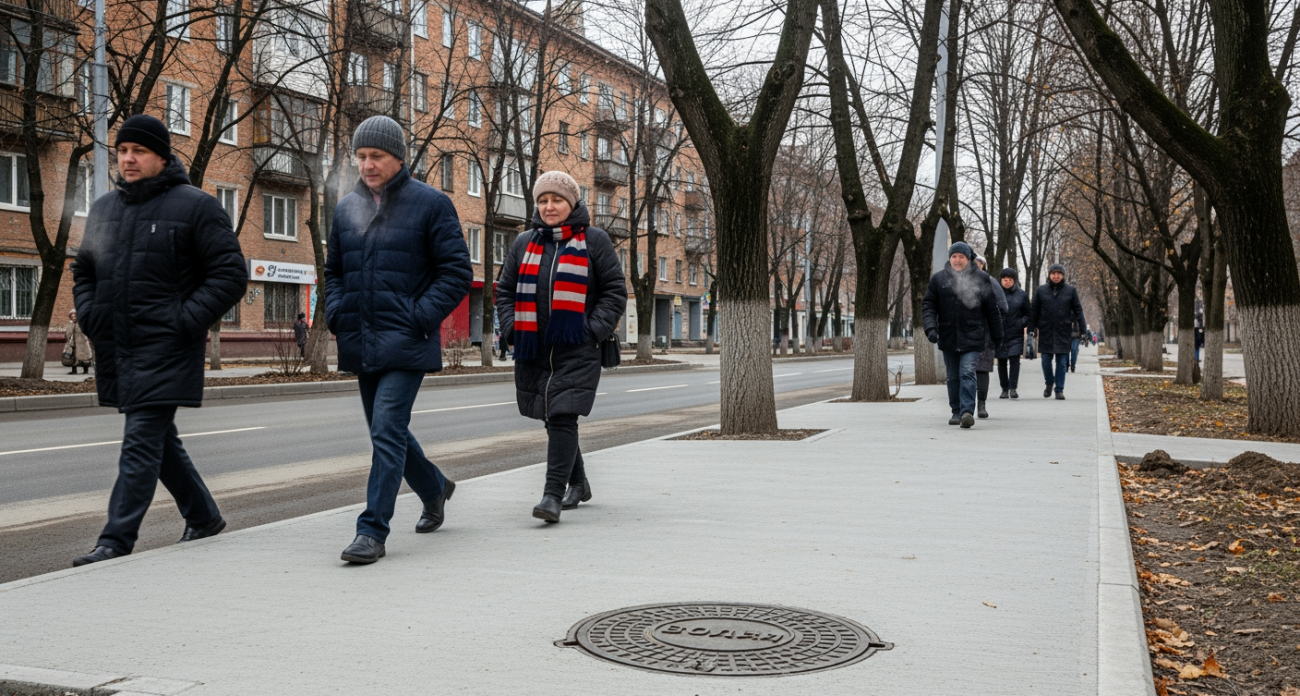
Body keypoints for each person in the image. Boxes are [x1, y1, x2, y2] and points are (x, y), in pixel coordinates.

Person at [69, 114, 248, 566]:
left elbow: (229, 275)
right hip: (117, 343)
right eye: (123, 149)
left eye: (139, 151)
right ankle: (203, 516)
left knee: (140, 439)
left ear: (162, 156)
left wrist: (184, 321)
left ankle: (116, 539)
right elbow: (84, 269)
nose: (127, 158)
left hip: (166, 345)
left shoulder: (196, 205)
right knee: (158, 439)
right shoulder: (106, 208)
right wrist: (91, 315)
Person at [324, 115, 472, 564]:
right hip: (361, 338)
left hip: (407, 340)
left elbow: (457, 272)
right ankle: (434, 488)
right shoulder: (347, 206)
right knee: (387, 432)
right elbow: (334, 272)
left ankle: (372, 531)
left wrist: (419, 316)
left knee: (386, 428)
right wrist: (336, 313)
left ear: (399, 158)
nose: (367, 165)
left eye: (377, 156)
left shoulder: (430, 204)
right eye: (362, 156)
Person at [496, 171, 627, 522]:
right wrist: (512, 329)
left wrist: (590, 331)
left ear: (572, 203)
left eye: (556, 199)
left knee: (563, 416)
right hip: (533, 347)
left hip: (577, 347)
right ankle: (579, 483)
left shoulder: (594, 240)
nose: (549, 206)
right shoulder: (525, 242)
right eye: (543, 200)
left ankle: (551, 496)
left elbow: (615, 292)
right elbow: (505, 291)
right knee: (554, 417)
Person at [921, 242, 1004, 429]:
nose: (957, 260)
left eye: (961, 257)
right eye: (954, 257)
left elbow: (992, 309)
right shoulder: (938, 279)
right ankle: (956, 411)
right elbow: (928, 305)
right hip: (948, 335)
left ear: (968, 259)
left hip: (973, 335)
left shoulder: (981, 279)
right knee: (952, 377)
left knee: (967, 372)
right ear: (950, 258)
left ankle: (967, 411)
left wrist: (998, 337)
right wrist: (931, 328)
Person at [1028, 262, 1086, 400]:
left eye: (1059, 273)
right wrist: (1031, 328)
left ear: (1063, 275)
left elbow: (1078, 310)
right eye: (1053, 273)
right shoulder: (1041, 290)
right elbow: (1034, 311)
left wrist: (1083, 329)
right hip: (1046, 330)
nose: (1056, 276)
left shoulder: (1070, 291)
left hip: (1063, 331)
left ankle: (1059, 389)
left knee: (1061, 362)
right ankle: (1049, 383)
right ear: (1049, 275)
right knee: (1045, 362)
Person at [972, 255, 1006, 418]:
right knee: (966, 370)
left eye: (979, 264)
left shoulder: (991, 282)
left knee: (981, 369)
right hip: (964, 332)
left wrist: (994, 325)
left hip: (985, 333)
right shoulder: (958, 280)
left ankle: (981, 404)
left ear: (983, 266)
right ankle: (966, 406)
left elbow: (1003, 307)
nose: (976, 266)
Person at [996, 268, 1030, 399]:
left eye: (1010, 280)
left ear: (1014, 281)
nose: (1007, 282)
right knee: (1002, 361)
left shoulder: (1021, 295)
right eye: (1005, 280)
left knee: (1015, 360)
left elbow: (1028, 313)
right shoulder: (996, 294)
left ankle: (1013, 388)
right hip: (1000, 332)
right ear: (1001, 280)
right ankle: (1004, 388)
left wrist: (1021, 323)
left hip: (1016, 333)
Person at [67, 309, 94, 375]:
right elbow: (68, 334)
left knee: (85, 357)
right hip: (73, 344)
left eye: (74, 316)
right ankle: (74, 371)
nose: (73, 318)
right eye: (72, 317)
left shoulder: (82, 323)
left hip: (83, 343)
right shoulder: (71, 324)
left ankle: (85, 370)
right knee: (73, 358)